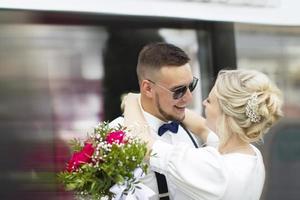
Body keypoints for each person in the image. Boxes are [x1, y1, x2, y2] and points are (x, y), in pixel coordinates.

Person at [123, 69, 283, 200]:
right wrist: (169, 107)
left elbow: (144, 144)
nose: (203, 102)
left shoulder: (213, 169)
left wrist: (132, 99)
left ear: (225, 115)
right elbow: (202, 128)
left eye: (210, 100)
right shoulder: (250, 155)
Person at [110, 42, 201, 199]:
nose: (189, 98)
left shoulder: (193, 130)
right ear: (148, 89)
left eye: (191, 85)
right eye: (178, 91)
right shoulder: (115, 135)